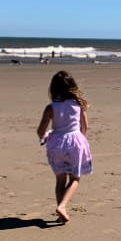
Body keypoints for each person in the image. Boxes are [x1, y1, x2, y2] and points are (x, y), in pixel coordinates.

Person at [36, 71, 92, 223]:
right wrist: (80, 140)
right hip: (75, 142)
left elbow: (41, 130)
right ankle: (62, 206)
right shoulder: (79, 104)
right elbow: (84, 127)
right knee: (75, 178)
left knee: (60, 179)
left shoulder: (51, 108)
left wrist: (44, 137)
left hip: (57, 143)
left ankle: (61, 210)